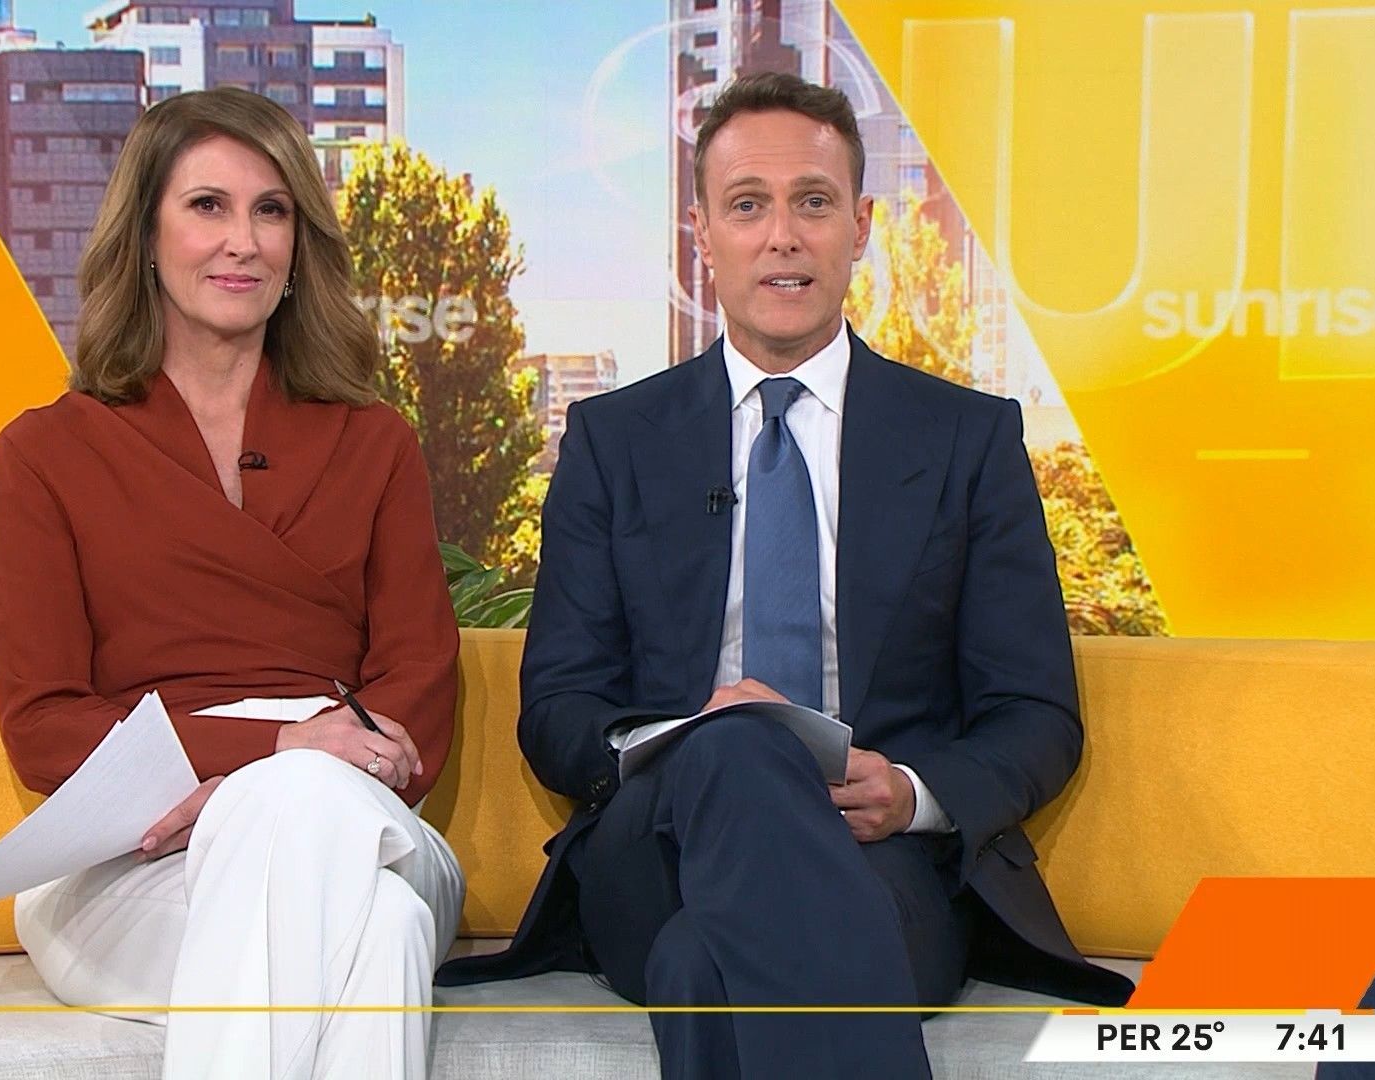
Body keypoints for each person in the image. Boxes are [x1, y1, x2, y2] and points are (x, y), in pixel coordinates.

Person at [438, 71, 1133, 1076]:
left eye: (812, 202)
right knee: (737, 746)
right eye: (747, 206)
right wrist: (689, 747)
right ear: (702, 234)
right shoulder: (613, 440)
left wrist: (910, 791)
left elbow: (1034, 712)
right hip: (658, 846)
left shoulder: (966, 440)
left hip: (883, 857)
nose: (782, 237)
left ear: (860, 226)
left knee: (701, 964)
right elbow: (558, 710)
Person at [0, 87, 464, 1080]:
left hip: (357, 809)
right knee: (381, 931)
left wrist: (286, 782)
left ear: (299, 246)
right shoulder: (44, 454)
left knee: (302, 809)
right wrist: (268, 754)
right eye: (208, 205)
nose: (242, 240)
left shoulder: (374, 443)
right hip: (135, 857)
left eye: (271, 210)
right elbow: (42, 727)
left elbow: (419, 681)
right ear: (145, 235)